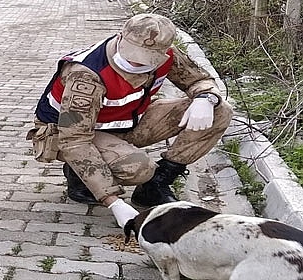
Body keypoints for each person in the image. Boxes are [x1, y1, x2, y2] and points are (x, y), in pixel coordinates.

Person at [27, 13, 233, 228]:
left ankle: (155, 186)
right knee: (138, 168)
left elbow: (199, 80)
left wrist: (205, 98)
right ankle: (80, 176)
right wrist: (113, 201)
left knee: (220, 110)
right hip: (68, 133)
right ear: (120, 38)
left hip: (126, 122)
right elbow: (75, 140)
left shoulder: (168, 55)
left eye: (147, 57)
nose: (136, 60)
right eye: (132, 52)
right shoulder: (86, 73)